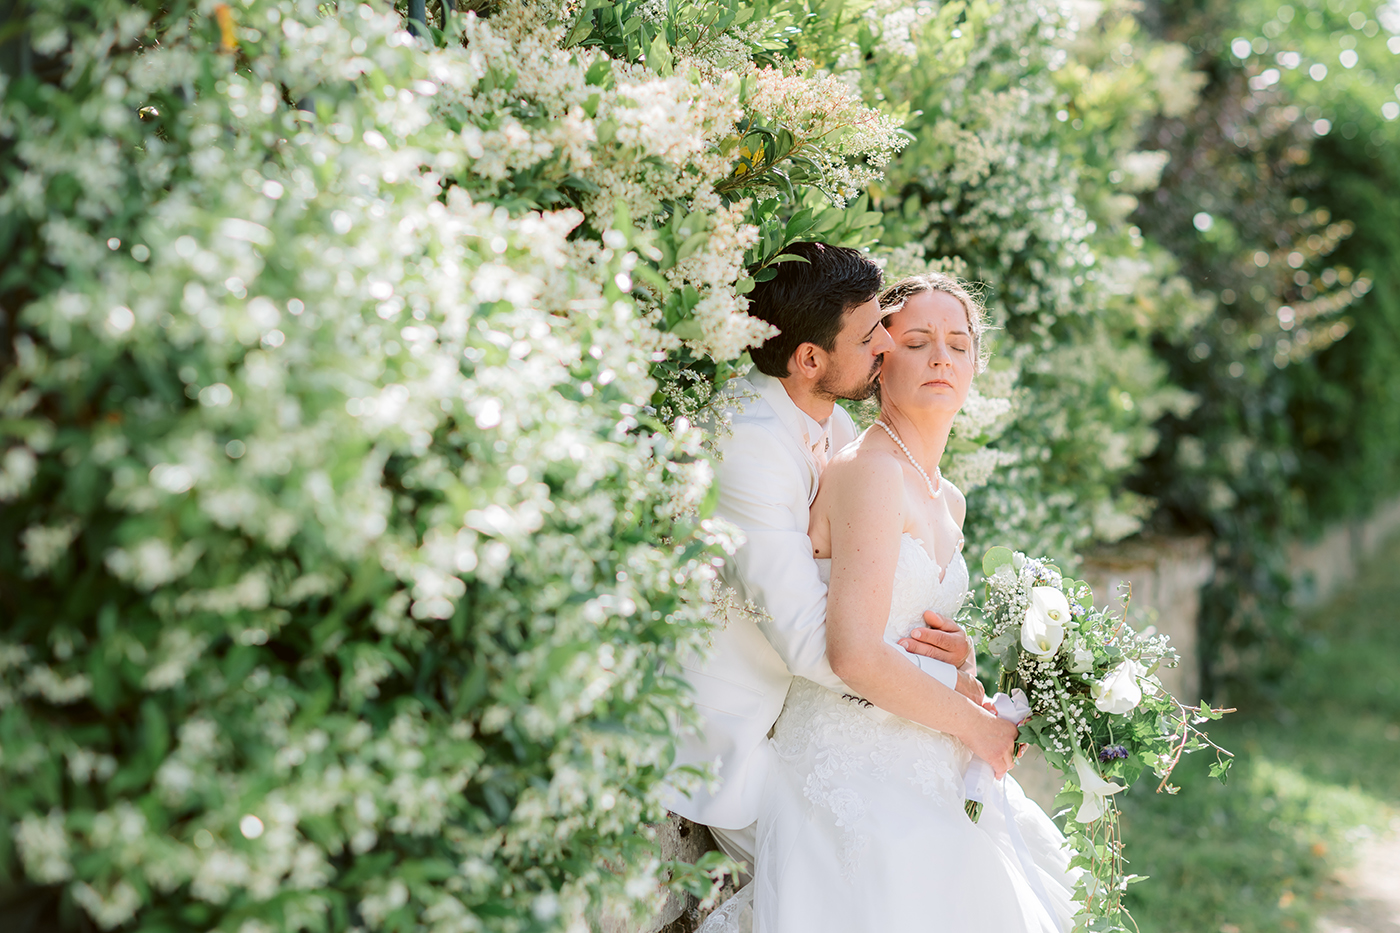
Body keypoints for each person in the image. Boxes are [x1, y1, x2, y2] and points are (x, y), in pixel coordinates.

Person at [699, 272, 1077, 932]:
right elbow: (851, 649)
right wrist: (975, 722)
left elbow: (905, 626)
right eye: (918, 340)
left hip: (923, 742)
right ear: (879, 361)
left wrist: (961, 666)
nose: (941, 358)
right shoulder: (867, 468)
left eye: (959, 344)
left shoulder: (948, 498)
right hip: (847, 755)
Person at [662, 244, 987, 873]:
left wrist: (955, 659)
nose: (887, 348)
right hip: (737, 734)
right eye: (874, 337)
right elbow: (823, 647)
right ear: (810, 358)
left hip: (830, 716)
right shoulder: (749, 449)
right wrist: (959, 706)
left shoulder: (835, 429)